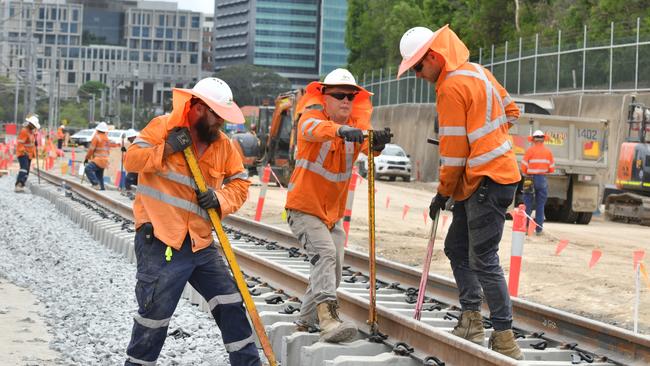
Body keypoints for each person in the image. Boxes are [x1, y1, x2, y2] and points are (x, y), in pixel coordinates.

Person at [397, 25, 523, 359]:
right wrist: (487, 140)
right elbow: (511, 111)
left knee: (483, 259)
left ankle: (505, 337)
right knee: (456, 247)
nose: (419, 75)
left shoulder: (450, 87)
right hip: (486, 177)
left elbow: (453, 156)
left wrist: (442, 193)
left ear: (435, 57)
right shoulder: (479, 72)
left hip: (486, 179)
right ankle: (471, 319)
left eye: (419, 68)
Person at [123, 77, 260, 366]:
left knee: (230, 302)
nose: (220, 123)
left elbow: (240, 184)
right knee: (155, 316)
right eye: (216, 115)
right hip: (161, 239)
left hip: (200, 242)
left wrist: (220, 199)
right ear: (197, 108)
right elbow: (131, 161)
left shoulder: (223, 145)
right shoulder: (162, 127)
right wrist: (167, 148)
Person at [285, 68, 392, 343]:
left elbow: (369, 148)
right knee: (325, 255)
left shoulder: (356, 127)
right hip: (304, 208)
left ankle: (304, 323)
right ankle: (329, 320)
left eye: (351, 96)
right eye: (339, 95)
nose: (346, 100)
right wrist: (342, 130)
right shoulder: (312, 118)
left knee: (332, 270)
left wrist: (377, 143)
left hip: (331, 215)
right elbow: (313, 130)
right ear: (325, 98)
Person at [521, 130, 555, 235]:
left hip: (529, 178)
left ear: (533, 140)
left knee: (527, 204)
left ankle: (525, 229)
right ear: (543, 139)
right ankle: (539, 230)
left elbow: (523, 167)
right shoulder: (548, 152)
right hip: (541, 179)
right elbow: (551, 169)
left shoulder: (529, 151)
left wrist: (528, 173)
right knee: (540, 205)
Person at [14, 114, 40, 192]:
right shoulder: (24, 131)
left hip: (29, 155)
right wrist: (24, 152)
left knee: (27, 171)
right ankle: (18, 184)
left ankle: (22, 185)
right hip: (23, 154)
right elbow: (20, 143)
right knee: (24, 169)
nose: (34, 127)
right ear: (30, 124)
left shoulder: (31, 132)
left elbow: (31, 144)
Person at [84, 122, 110, 190]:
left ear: (97, 130)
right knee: (99, 175)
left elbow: (91, 150)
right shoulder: (107, 139)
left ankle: (95, 184)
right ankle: (102, 188)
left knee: (88, 169)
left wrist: (87, 158)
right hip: (105, 161)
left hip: (98, 160)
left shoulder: (96, 137)